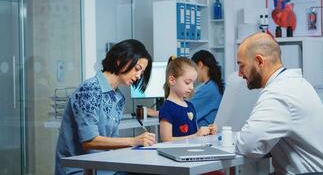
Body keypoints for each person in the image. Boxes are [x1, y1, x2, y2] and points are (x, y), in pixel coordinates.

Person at [235, 32, 323, 174]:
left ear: (260, 61)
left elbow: (247, 145)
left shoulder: (279, 92)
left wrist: (233, 139)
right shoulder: (296, 84)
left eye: (242, 66)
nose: (239, 73)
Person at [55, 39, 156, 175]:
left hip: (104, 166)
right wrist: (134, 141)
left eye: (141, 72)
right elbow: (89, 141)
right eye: (137, 69)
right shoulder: (89, 90)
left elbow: (113, 141)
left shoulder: (118, 98)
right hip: (79, 169)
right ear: (120, 60)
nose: (138, 76)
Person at [159, 56, 217, 142]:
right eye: (187, 82)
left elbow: (195, 133)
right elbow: (166, 140)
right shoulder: (167, 108)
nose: (191, 87)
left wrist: (207, 132)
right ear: (172, 80)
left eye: (193, 83)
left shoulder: (190, 106)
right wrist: (196, 135)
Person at [190, 50, 224, 127]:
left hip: (203, 136)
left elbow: (185, 112)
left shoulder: (209, 89)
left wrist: (158, 112)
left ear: (200, 65)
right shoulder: (215, 85)